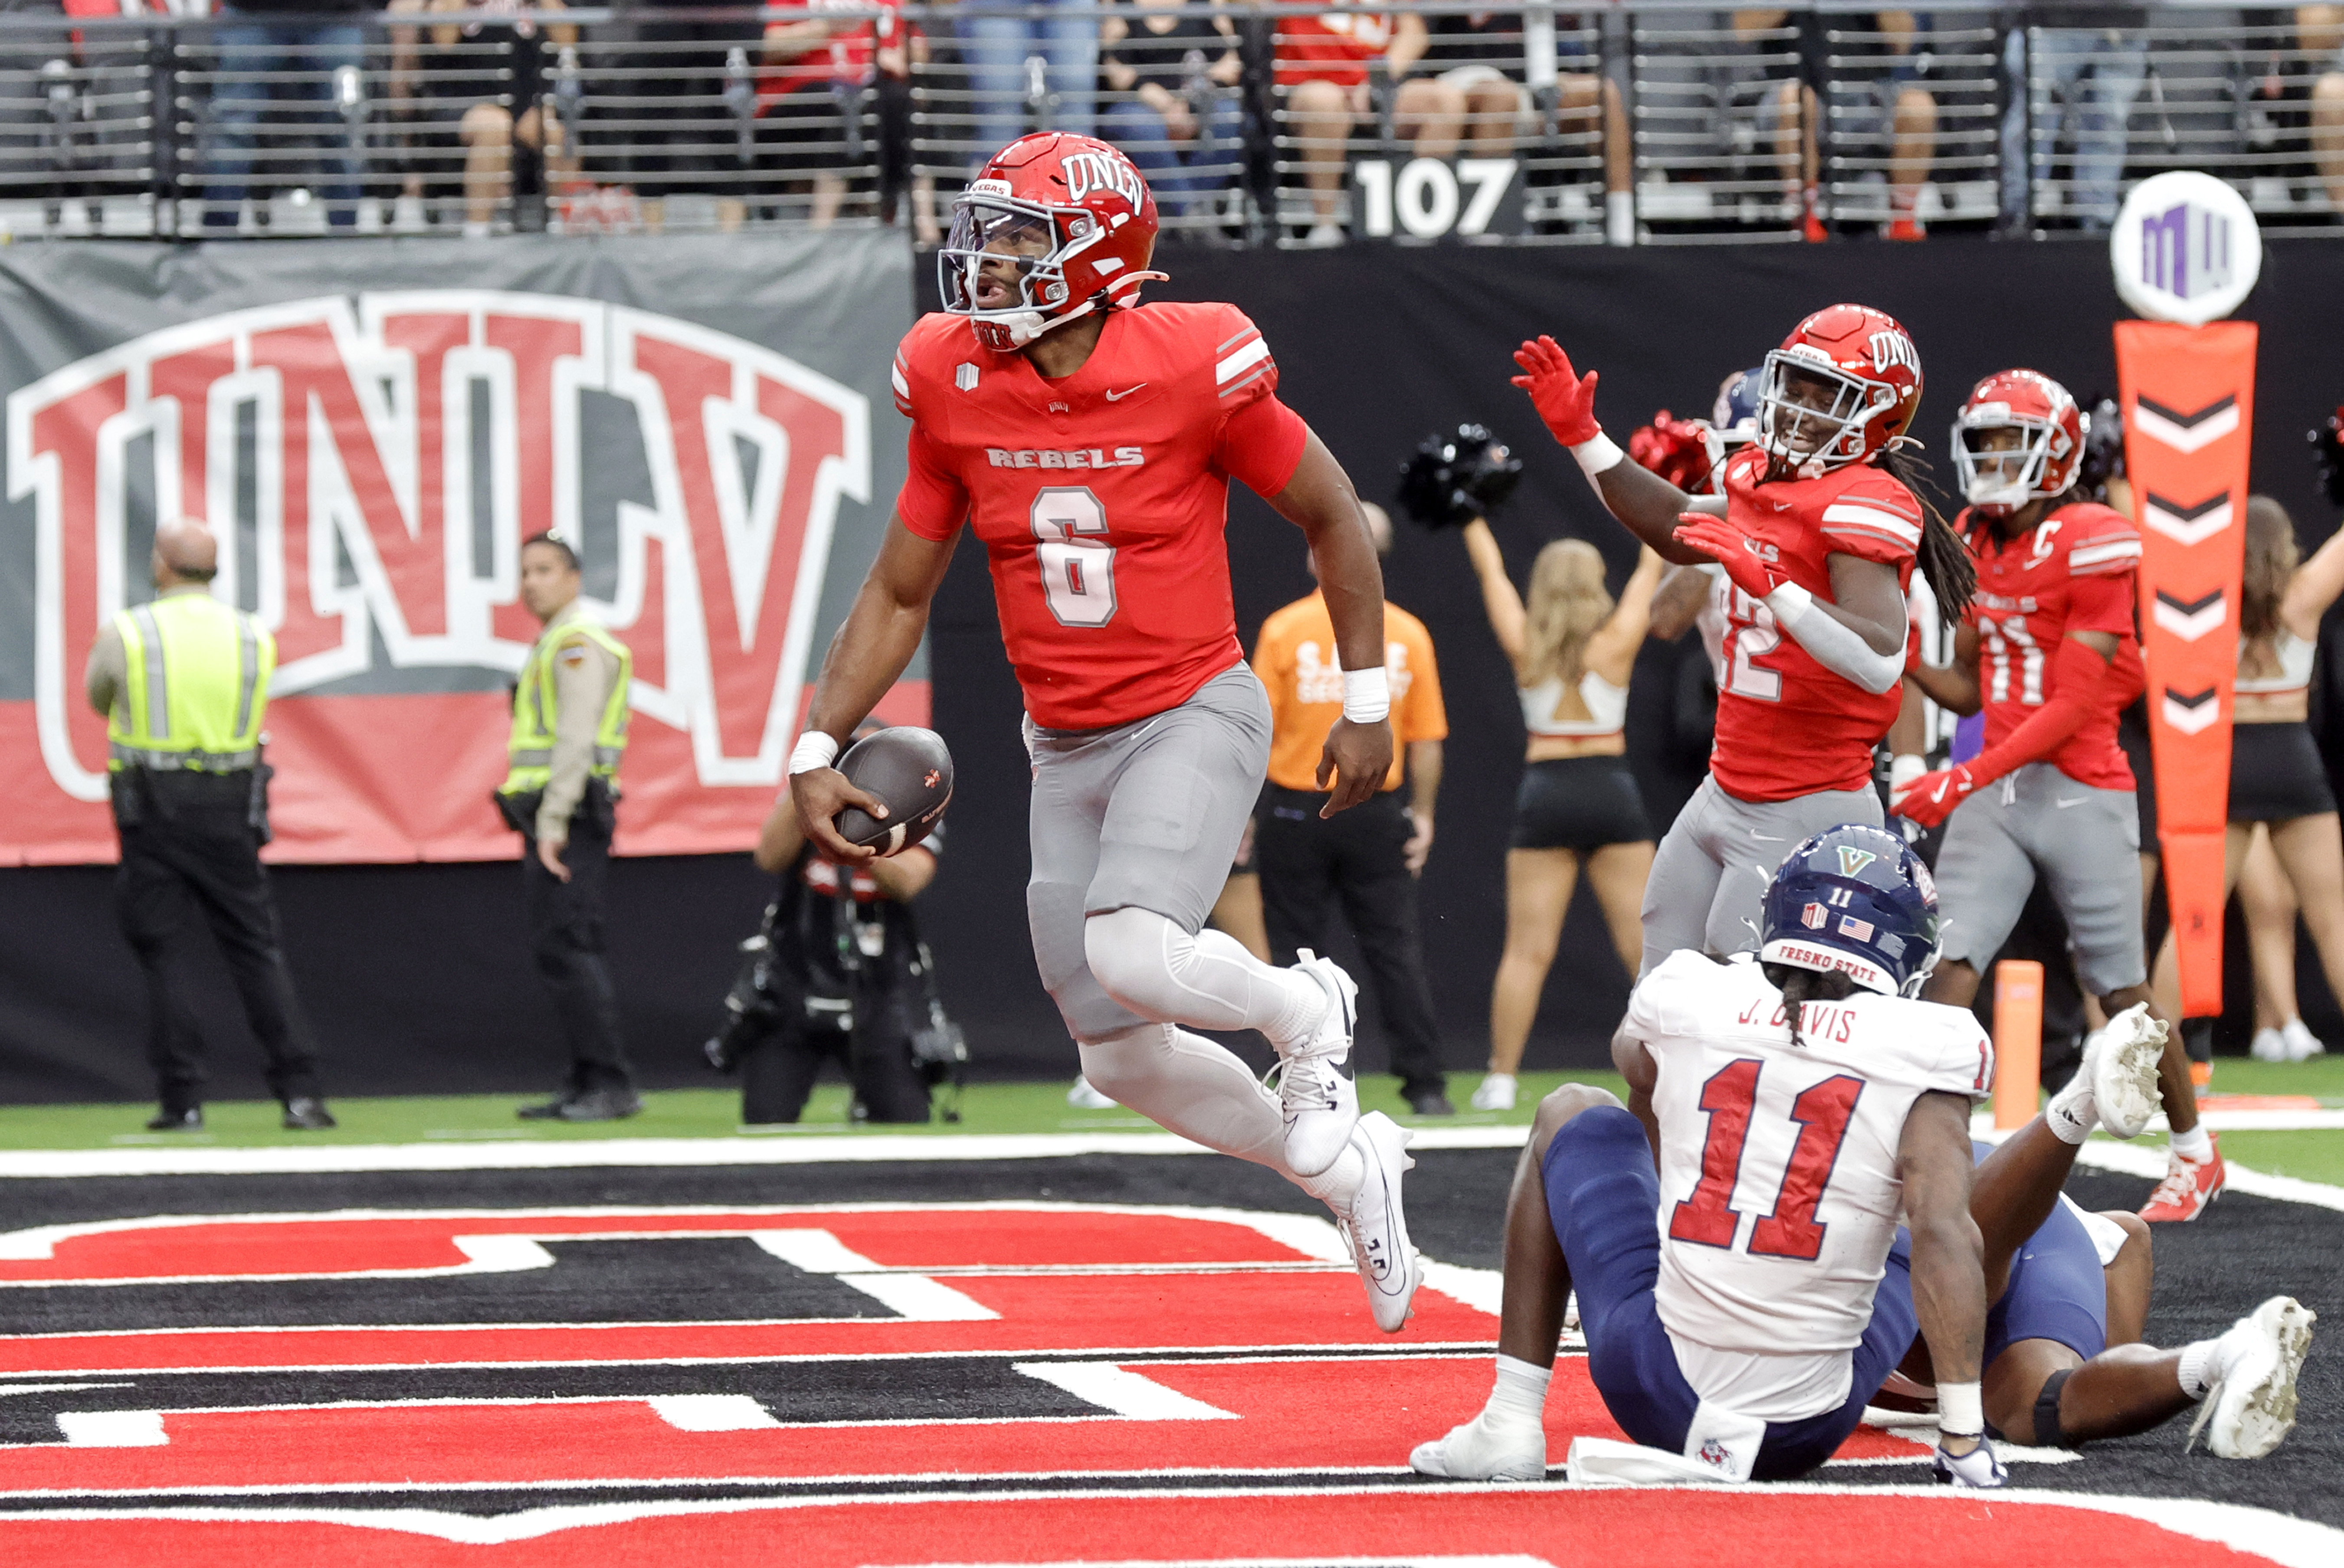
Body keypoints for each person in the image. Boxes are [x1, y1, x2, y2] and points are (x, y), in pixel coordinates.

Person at [788, 132, 1420, 1332]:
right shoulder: (951, 376)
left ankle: (1307, 1008)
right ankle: (1342, 1171)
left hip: (1192, 704)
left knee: (1135, 948)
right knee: (1116, 1052)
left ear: (1097, 258)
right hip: (1063, 742)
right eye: (985, 230)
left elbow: (1331, 512)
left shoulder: (1188, 363)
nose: (984, 259)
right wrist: (816, 745)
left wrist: (1364, 698)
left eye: (1018, 236)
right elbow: (899, 589)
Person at [1411, 826, 2008, 1486]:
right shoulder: (1931, 1039)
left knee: (1571, 1109)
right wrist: (1962, 1438)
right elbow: (1943, 1229)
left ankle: (1509, 1420)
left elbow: (1631, 1063)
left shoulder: (1690, 991)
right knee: (1925, 1214)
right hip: (1804, 1430)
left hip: (1655, 1389)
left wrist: (1752, 1057)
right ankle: (1953, 1421)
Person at [1509, 307, 1976, 979]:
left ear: (1879, 418)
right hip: (1725, 787)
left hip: (1804, 801)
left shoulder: (1862, 502)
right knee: (1649, 1019)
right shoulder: (1761, 476)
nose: (1799, 410)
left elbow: (1879, 661)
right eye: (1797, 386)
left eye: (1829, 397)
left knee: (1731, 1019)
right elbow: (1676, 524)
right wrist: (1584, 438)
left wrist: (1772, 585)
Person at [1893, 370, 2213, 1224]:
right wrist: (1885, 657)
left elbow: (2074, 703)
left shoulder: (2096, 535)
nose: (1994, 459)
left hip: (2078, 788)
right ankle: (1918, 1155)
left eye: (2011, 442)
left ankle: (2193, 1152)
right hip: (2001, 789)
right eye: (1985, 442)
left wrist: (1959, 775)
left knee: (2119, 993)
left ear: (2057, 452)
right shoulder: (1972, 533)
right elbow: (1967, 690)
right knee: (1948, 968)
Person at [1877, 1021, 2315, 1460]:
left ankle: (2079, 1104)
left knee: (1931, 1296)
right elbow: (2128, 1236)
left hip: (1973, 1215)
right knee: (2043, 1407)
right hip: (2057, 1234)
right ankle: (2228, 1355)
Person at [82, 520, 334, 1133]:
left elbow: (99, 697)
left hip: (154, 807)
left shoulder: (131, 631)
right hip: (231, 806)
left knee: (163, 952)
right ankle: (301, 1094)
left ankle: (183, 1100)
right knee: (255, 948)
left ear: (164, 564)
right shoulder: (252, 635)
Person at [1254, 501, 1452, 1118]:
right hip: (1372, 805)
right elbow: (1426, 740)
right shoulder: (1408, 632)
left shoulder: (1285, 629)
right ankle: (1425, 1085)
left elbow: (1255, 730)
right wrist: (1421, 812)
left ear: (1317, 555)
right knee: (1393, 947)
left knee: (1294, 956)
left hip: (1298, 807)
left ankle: (1303, 1080)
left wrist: (1242, 814)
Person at [1460, 523, 1662, 1114]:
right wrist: (1670, 492)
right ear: (1595, 583)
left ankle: (1499, 1079)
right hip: (1609, 788)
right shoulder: (1618, 638)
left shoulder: (1525, 640)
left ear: (1543, 587)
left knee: (1526, 949)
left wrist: (1472, 517)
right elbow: (1651, 566)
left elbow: (1490, 575)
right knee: (1643, 947)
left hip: (1546, 792)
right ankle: (1677, 1061)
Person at [2151, 498, 2344, 1069]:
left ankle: (2139, 1062)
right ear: (2282, 545)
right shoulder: (2302, 594)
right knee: (2333, 919)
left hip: (2223, 764)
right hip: (2292, 760)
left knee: (2194, 918)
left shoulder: (2199, 607)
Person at [719, 733, 944, 1124]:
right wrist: (809, 789)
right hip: (793, 984)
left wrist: (861, 839)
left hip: (873, 994)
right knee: (764, 1125)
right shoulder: (811, 799)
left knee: (905, 1125)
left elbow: (910, 881)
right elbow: (769, 856)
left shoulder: (913, 806)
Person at [496, 530, 642, 1122]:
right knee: (560, 947)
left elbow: (576, 739)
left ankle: (610, 1081)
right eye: (525, 570)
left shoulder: (576, 643)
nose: (531, 581)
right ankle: (586, 1079)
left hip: (570, 815)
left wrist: (552, 821)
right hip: (565, 813)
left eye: (545, 570)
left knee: (571, 947)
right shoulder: (555, 642)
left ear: (574, 577)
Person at [1275, 6, 1464, 246]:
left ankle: (1419, 225)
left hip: (1375, 85)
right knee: (1324, 101)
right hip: (1309, 84)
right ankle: (1325, 226)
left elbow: (1414, 34)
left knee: (1445, 100)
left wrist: (1377, 79)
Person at [1745, 9, 1939, 241]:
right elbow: (1742, 30)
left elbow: (1903, 42)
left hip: (1866, 96)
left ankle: (1903, 222)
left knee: (1919, 107)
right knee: (1794, 100)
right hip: (1792, 89)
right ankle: (1806, 218)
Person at [388, 0, 577, 236]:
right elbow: (443, 42)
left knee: (553, 130)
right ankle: (477, 233)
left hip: (525, 100)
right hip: (462, 102)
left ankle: (563, 227)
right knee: (495, 126)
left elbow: (567, 41)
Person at [199, 0, 377, 232]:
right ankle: (217, 235)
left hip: (334, 16)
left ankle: (346, 235)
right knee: (234, 129)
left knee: (342, 127)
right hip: (251, 14)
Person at [1998, 7, 2146, 232]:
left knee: (2108, 125)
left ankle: (2099, 223)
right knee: (2033, 120)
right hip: (2047, 19)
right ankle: (2018, 216)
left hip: (2123, 23)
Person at [1098, 0, 1242, 219]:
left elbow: (1230, 66)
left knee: (1231, 116)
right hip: (1141, 104)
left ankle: (1182, 215)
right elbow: (1115, 69)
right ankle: (1192, 216)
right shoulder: (1120, 6)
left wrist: (1191, 105)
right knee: (1138, 125)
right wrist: (1164, 104)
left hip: (1200, 102)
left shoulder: (1209, 5)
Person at [2241, 826, 2328, 1061]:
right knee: (2266, 904)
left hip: (2276, 799)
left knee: (2285, 905)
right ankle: (2292, 1022)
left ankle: (2268, 1027)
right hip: (2241, 803)